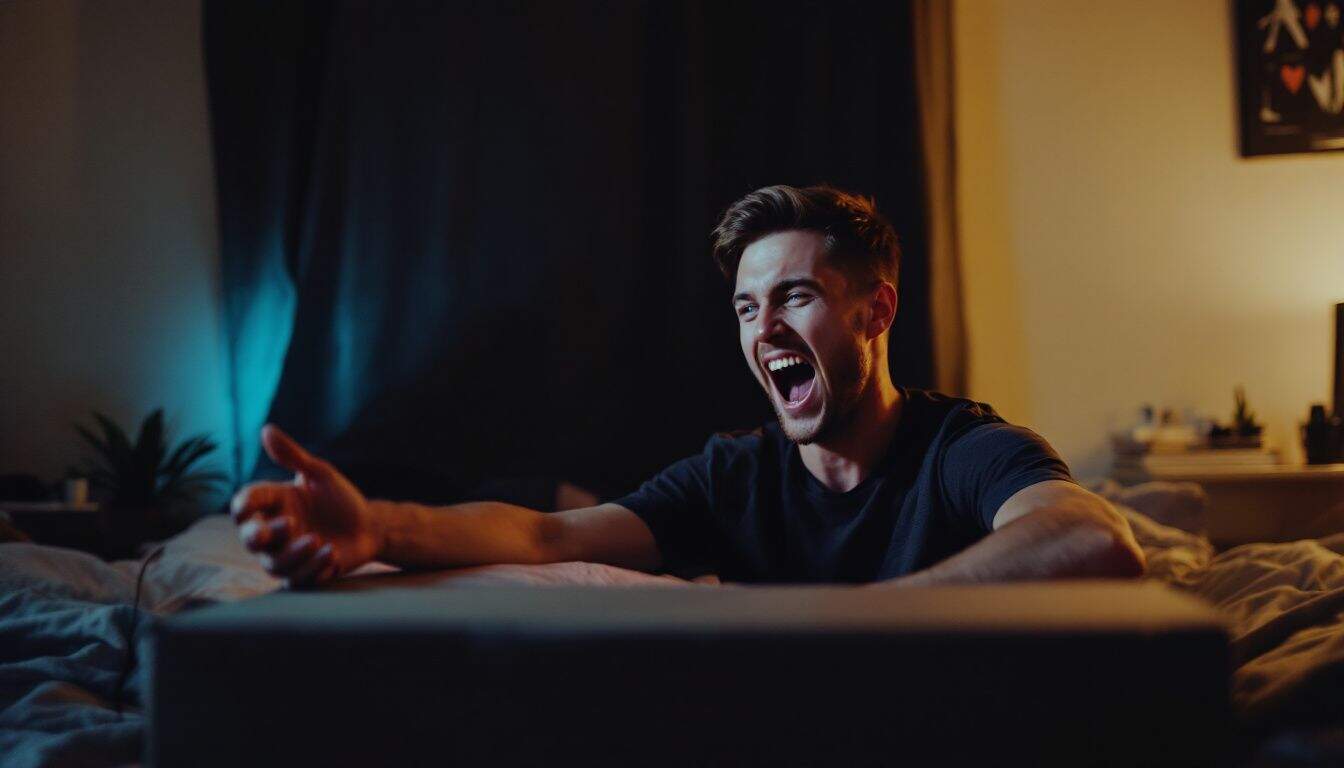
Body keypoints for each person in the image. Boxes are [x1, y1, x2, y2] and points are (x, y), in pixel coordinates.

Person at [231, 184, 1145, 587]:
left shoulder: (961, 450)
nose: (765, 330)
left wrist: (862, 624)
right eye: (748, 309)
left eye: (794, 296)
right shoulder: (733, 477)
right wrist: (377, 528)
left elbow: (1093, 536)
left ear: (875, 313)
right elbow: (546, 536)